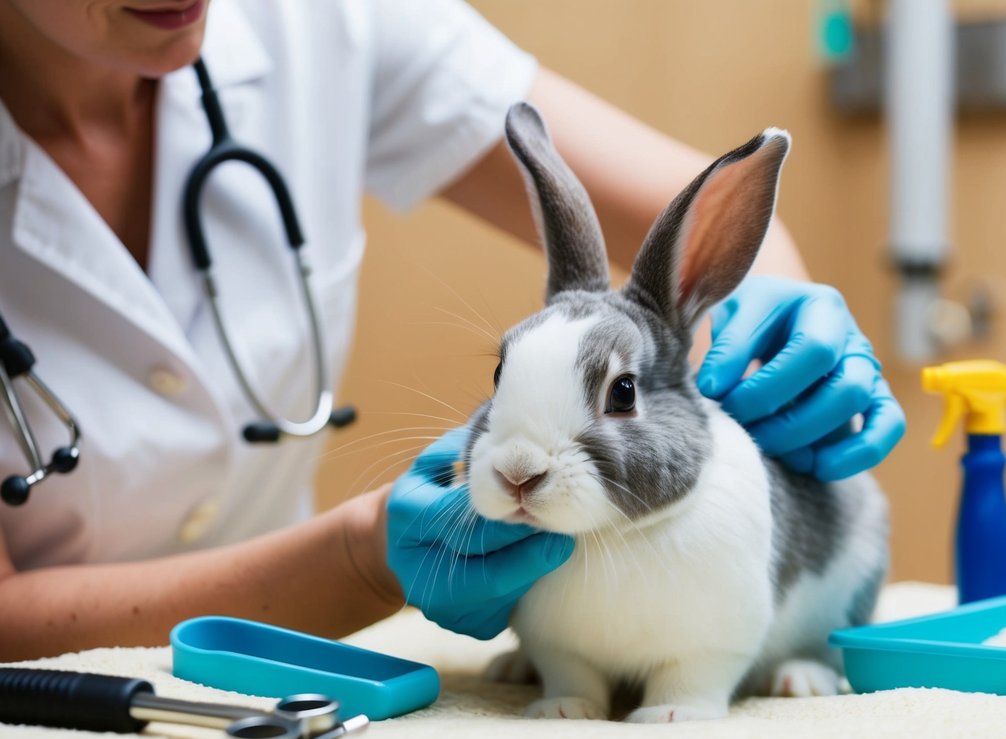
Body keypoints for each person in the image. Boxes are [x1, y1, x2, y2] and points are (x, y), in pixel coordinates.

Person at [0, 0, 904, 662]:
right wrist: (361, 558)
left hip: (280, 680)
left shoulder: (323, 22)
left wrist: (781, 320)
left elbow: (723, 218)